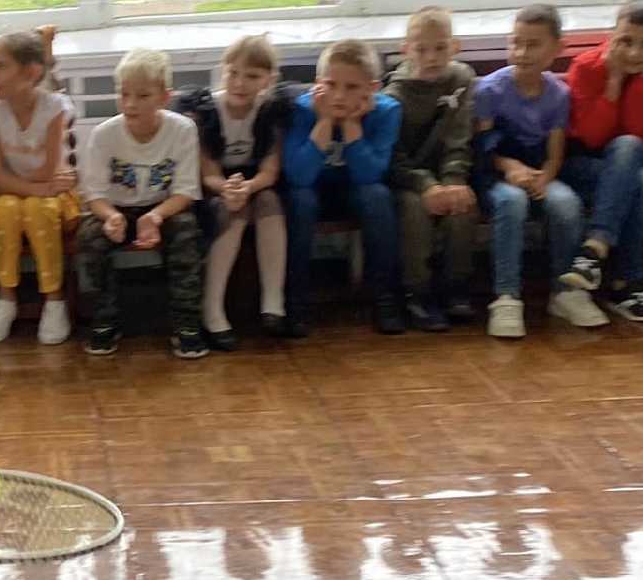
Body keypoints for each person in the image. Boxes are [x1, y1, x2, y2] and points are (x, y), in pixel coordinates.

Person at [474, 4, 597, 336]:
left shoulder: (559, 93)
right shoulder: (490, 89)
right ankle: (507, 297)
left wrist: (545, 176)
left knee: (565, 203)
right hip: (495, 169)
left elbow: (555, 151)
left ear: (557, 48)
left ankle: (565, 292)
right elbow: (483, 144)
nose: (522, 52)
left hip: (538, 168)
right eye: (516, 42)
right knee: (511, 203)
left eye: (533, 44)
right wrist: (510, 166)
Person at [76, 49, 205, 357]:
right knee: (90, 237)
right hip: (116, 209)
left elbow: (186, 191)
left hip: (164, 208)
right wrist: (110, 217)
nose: (130, 104)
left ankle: (186, 322)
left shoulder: (183, 130)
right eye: (124, 94)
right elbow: (93, 193)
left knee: (187, 231)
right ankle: (105, 319)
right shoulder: (104, 134)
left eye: (142, 96)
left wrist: (157, 216)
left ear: (164, 97)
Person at [556, 0, 643, 323]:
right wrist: (613, 81)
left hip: (626, 161)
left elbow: (639, 132)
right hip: (577, 162)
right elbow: (592, 136)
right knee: (640, 177)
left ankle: (594, 252)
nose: (635, 53)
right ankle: (627, 283)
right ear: (612, 36)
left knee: (638, 169)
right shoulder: (586, 66)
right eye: (626, 41)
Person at [175, 33, 290, 347]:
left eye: (252, 76)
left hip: (254, 182)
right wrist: (228, 189)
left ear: (268, 79)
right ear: (222, 71)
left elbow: (270, 169)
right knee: (232, 209)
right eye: (233, 73)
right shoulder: (207, 112)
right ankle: (212, 309)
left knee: (269, 200)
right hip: (213, 187)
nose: (240, 83)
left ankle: (273, 302)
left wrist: (249, 186)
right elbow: (207, 171)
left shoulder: (270, 112)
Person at [281, 39, 404, 336]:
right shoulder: (302, 109)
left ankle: (385, 299)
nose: (338, 95)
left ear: (372, 89)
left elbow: (369, 175)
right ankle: (295, 302)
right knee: (300, 200)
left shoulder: (387, 111)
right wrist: (324, 121)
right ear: (316, 84)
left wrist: (351, 124)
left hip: (356, 187)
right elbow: (298, 176)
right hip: (314, 187)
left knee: (378, 196)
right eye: (331, 84)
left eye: (351, 87)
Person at [0, 29, 78, 345]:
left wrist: (40, 188)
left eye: (0, 66)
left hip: (53, 195)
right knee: (5, 210)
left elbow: (49, 169)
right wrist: (36, 187)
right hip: (11, 192)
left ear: (30, 72)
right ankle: (5, 299)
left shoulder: (55, 107)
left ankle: (54, 300)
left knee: (39, 209)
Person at [384, 8, 477, 332]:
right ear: (406, 49)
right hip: (408, 179)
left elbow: (460, 137)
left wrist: (453, 180)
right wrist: (426, 186)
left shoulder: (463, 80)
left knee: (463, 205)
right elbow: (393, 156)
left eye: (440, 48)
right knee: (413, 210)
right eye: (422, 49)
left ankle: (455, 288)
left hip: (446, 173)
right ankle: (417, 293)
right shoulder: (394, 95)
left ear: (454, 47)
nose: (432, 57)